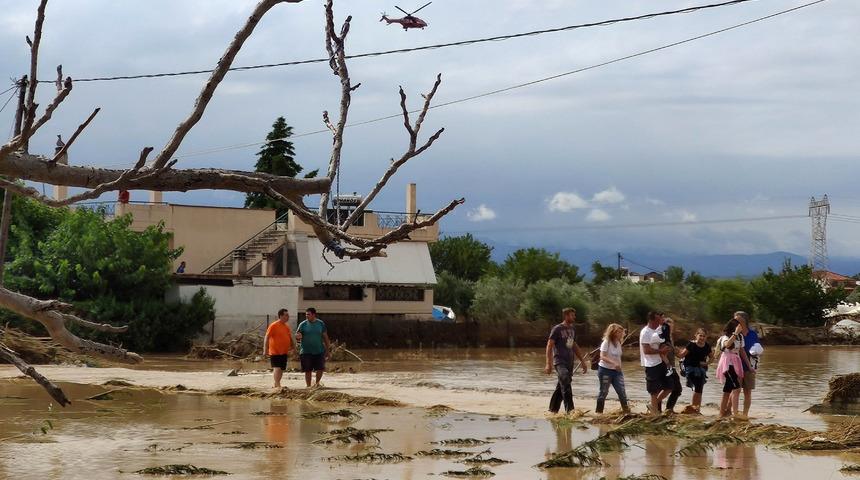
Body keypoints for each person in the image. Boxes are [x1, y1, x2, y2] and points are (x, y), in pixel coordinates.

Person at [545, 307, 588, 414]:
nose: (574, 317)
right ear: (566, 316)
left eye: (574, 315)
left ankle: (553, 409)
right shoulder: (557, 329)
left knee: (562, 385)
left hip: (570, 362)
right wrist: (548, 364)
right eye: (572, 315)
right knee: (565, 381)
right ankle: (570, 411)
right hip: (559, 361)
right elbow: (549, 346)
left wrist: (582, 361)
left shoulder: (572, 329)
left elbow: (574, 345)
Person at [715, 318, 752, 417]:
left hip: (736, 362)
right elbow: (727, 345)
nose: (740, 328)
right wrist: (735, 333)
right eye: (738, 326)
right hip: (727, 364)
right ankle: (735, 413)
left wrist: (749, 366)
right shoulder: (725, 337)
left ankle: (722, 413)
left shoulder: (740, 337)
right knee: (736, 388)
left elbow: (742, 351)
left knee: (727, 390)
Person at [640, 311, 673, 414]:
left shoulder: (658, 330)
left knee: (669, 386)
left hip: (661, 361)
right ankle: (654, 412)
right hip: (651, 364)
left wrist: (666, 348)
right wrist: (661, 351)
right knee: (653, 391)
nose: (660, 322)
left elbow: (663, 342)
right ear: (651, 320)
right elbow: (646, 350)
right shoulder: (646, 332)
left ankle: (652, 406)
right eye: (657, 320)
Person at [676, 328, 713, 413]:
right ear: (696, 335)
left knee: (699, 389)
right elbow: (681, 355)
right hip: (690, 369)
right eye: (700, 335)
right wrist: (675, 351)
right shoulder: (691, 345)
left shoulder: (707, 346)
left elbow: (712, 357)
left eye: (704, 336)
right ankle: (694, 408)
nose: (702, 338)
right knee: (697, 387)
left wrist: (706, 363)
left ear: (706, 337)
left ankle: (697, 409)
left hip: (702, 370)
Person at [596, 323, 630, 414]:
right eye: (619, 332)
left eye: (621, 332)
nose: (621, 334)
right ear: (613, 333)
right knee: (604, 392)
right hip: (605, 371)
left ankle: (626, 412)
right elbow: (602, 357)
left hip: (617, 372)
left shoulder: (619, 342)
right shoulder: (606, 342)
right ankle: (599, 413)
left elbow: (618, 357)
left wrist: (618, 365)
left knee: (622, 392)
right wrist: (614, 363)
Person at [295, 307, 331, 388]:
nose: (306, 316)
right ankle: (308, 386)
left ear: (314, 315)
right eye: (306, 315)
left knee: (320, 368)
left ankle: (317, 383)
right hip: (306, 351)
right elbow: (297, 336)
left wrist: (328, 351)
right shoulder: (302, 324)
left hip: (319, 350)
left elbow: (325, 337)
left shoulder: (321, 323)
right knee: (308, 370)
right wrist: (297, 336)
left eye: (308, 315)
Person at [735, 311, 761, 417]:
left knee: (748, 392)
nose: (736, 322)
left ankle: (745, 414)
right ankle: (734, 413)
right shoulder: (735, 333)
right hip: (736, 365)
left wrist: (757, 352)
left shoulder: (753, 334)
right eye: (735, 319)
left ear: (744, 320)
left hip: (750, 365)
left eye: (738, 320)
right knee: (735, 391)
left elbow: (758, 347)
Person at [262, 308, 294, 389]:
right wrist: (265, 349)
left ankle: (277, 383)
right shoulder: (273, 325)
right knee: (277, 368)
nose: (288, 317)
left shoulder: (286, 326)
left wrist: (293, 347)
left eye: (288, 315)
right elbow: (267, 337)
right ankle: (278, 385)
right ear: (281, 316)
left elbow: (290, 338)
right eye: (286, 315)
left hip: (284, 352)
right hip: (275, 351)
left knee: (282, 369)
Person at [660, 316, 684, 414]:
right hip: (666, 367)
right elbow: (661, 353)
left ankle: (668, 409)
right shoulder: (663, 338)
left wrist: (681, 352)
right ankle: (662, 408)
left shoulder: (670, 338)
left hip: (671, 366)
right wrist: (668, 365)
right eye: (668, 326)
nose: (670, 328)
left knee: (676, 389)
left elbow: (677, 354)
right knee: (673, 388)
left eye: (671, 326)